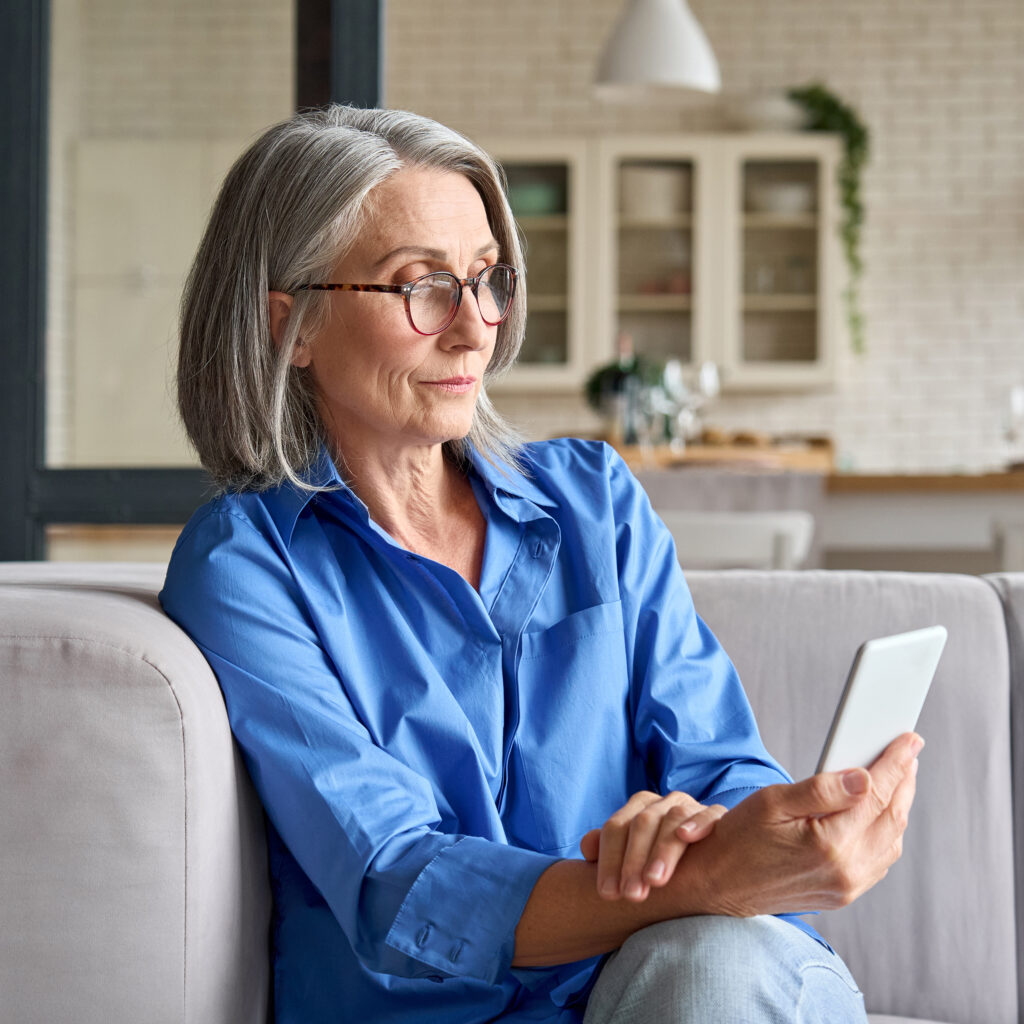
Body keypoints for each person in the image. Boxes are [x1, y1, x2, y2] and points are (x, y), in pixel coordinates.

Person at [159, 105, 919, 1024]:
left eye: (488, 281)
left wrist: (709, 836)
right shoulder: (250, 563)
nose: (476, 328)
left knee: (713, 968)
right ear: (295, 325)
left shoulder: (592, 501)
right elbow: (396, 879)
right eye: (423, 286)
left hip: (680, 980)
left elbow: (721, 765)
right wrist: (699, 874)